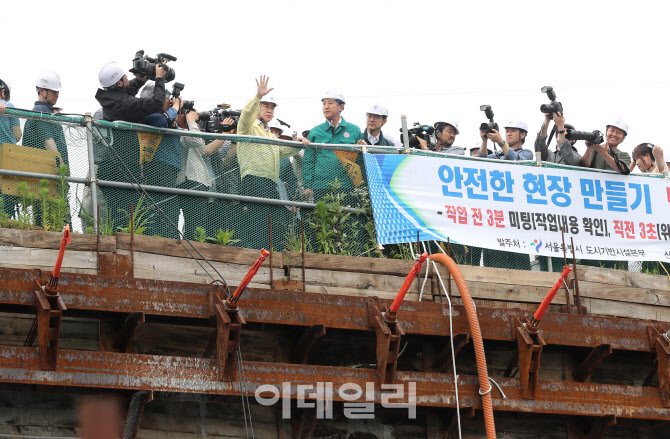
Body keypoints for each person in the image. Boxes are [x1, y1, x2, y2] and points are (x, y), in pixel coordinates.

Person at [94, 61, 170, 233]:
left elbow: (125, 92)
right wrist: (159, 78)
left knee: (119, 216)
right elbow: (156, 104)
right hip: (123, 168)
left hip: (113, 166)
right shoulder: (125, 104)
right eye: (125, 77)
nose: (128, 78)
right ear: (119, 83)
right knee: (126, 217)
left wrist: (140, 80)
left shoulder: (111, 100)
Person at [236, 75, 300, 249]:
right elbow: (245, 115)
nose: (270, 110)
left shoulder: (269, 133)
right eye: (265, 106)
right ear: (258, 107)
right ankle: (258, 256)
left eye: (272, 107)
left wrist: (298, 144)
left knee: (273, 223)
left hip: (269, 183)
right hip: (253, 181)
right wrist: (257, 96)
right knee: (258, 224)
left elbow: (282, 151)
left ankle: (268, 256)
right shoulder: (248, 127)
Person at [22, 71, 71, 227]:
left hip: (51, 179)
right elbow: (49, 143)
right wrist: (62, 170)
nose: (57, 95)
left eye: (57, 91)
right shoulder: (40, 113)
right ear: (41, 91)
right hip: (49, 180)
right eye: (53, 91)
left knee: (53, 222)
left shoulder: (48, 113)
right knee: (50, 222)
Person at [299, 91, 364, 202]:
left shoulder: (354, 130)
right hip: (321, 186)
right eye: (324, 104)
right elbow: (309, 161)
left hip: (347, 186)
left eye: (330, 103)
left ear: (341, 107)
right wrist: (308, 186)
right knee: (322, 218)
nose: (326, 107)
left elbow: (360, 162)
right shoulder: (315, 131)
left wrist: (363, 150)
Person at [137, 82, 182, 239]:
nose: (169, 102)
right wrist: (175, 108)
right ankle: (162, 238)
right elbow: (160, 122)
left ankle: (167, 237)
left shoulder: (166, 117)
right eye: (167, 98)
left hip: (168, 168)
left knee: (169, 207)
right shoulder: (149, 115)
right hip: (157, 165)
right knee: (164, 206)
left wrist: (175, 117)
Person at [175, 109, 227, 241]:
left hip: (196, 181)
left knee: (198, 228)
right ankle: (191, 253)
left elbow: (205, 150)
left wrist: (224, 134)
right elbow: (197, 141)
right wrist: (191, 121)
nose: (197, 125)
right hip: (190, 181)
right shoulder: (178, 130)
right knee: (195, 228)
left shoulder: (188, 133)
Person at [0, 77, 23, 219]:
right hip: (8, 159)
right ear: (3, 92)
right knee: (7, 201)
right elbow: (17, 134)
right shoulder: (8, 105)